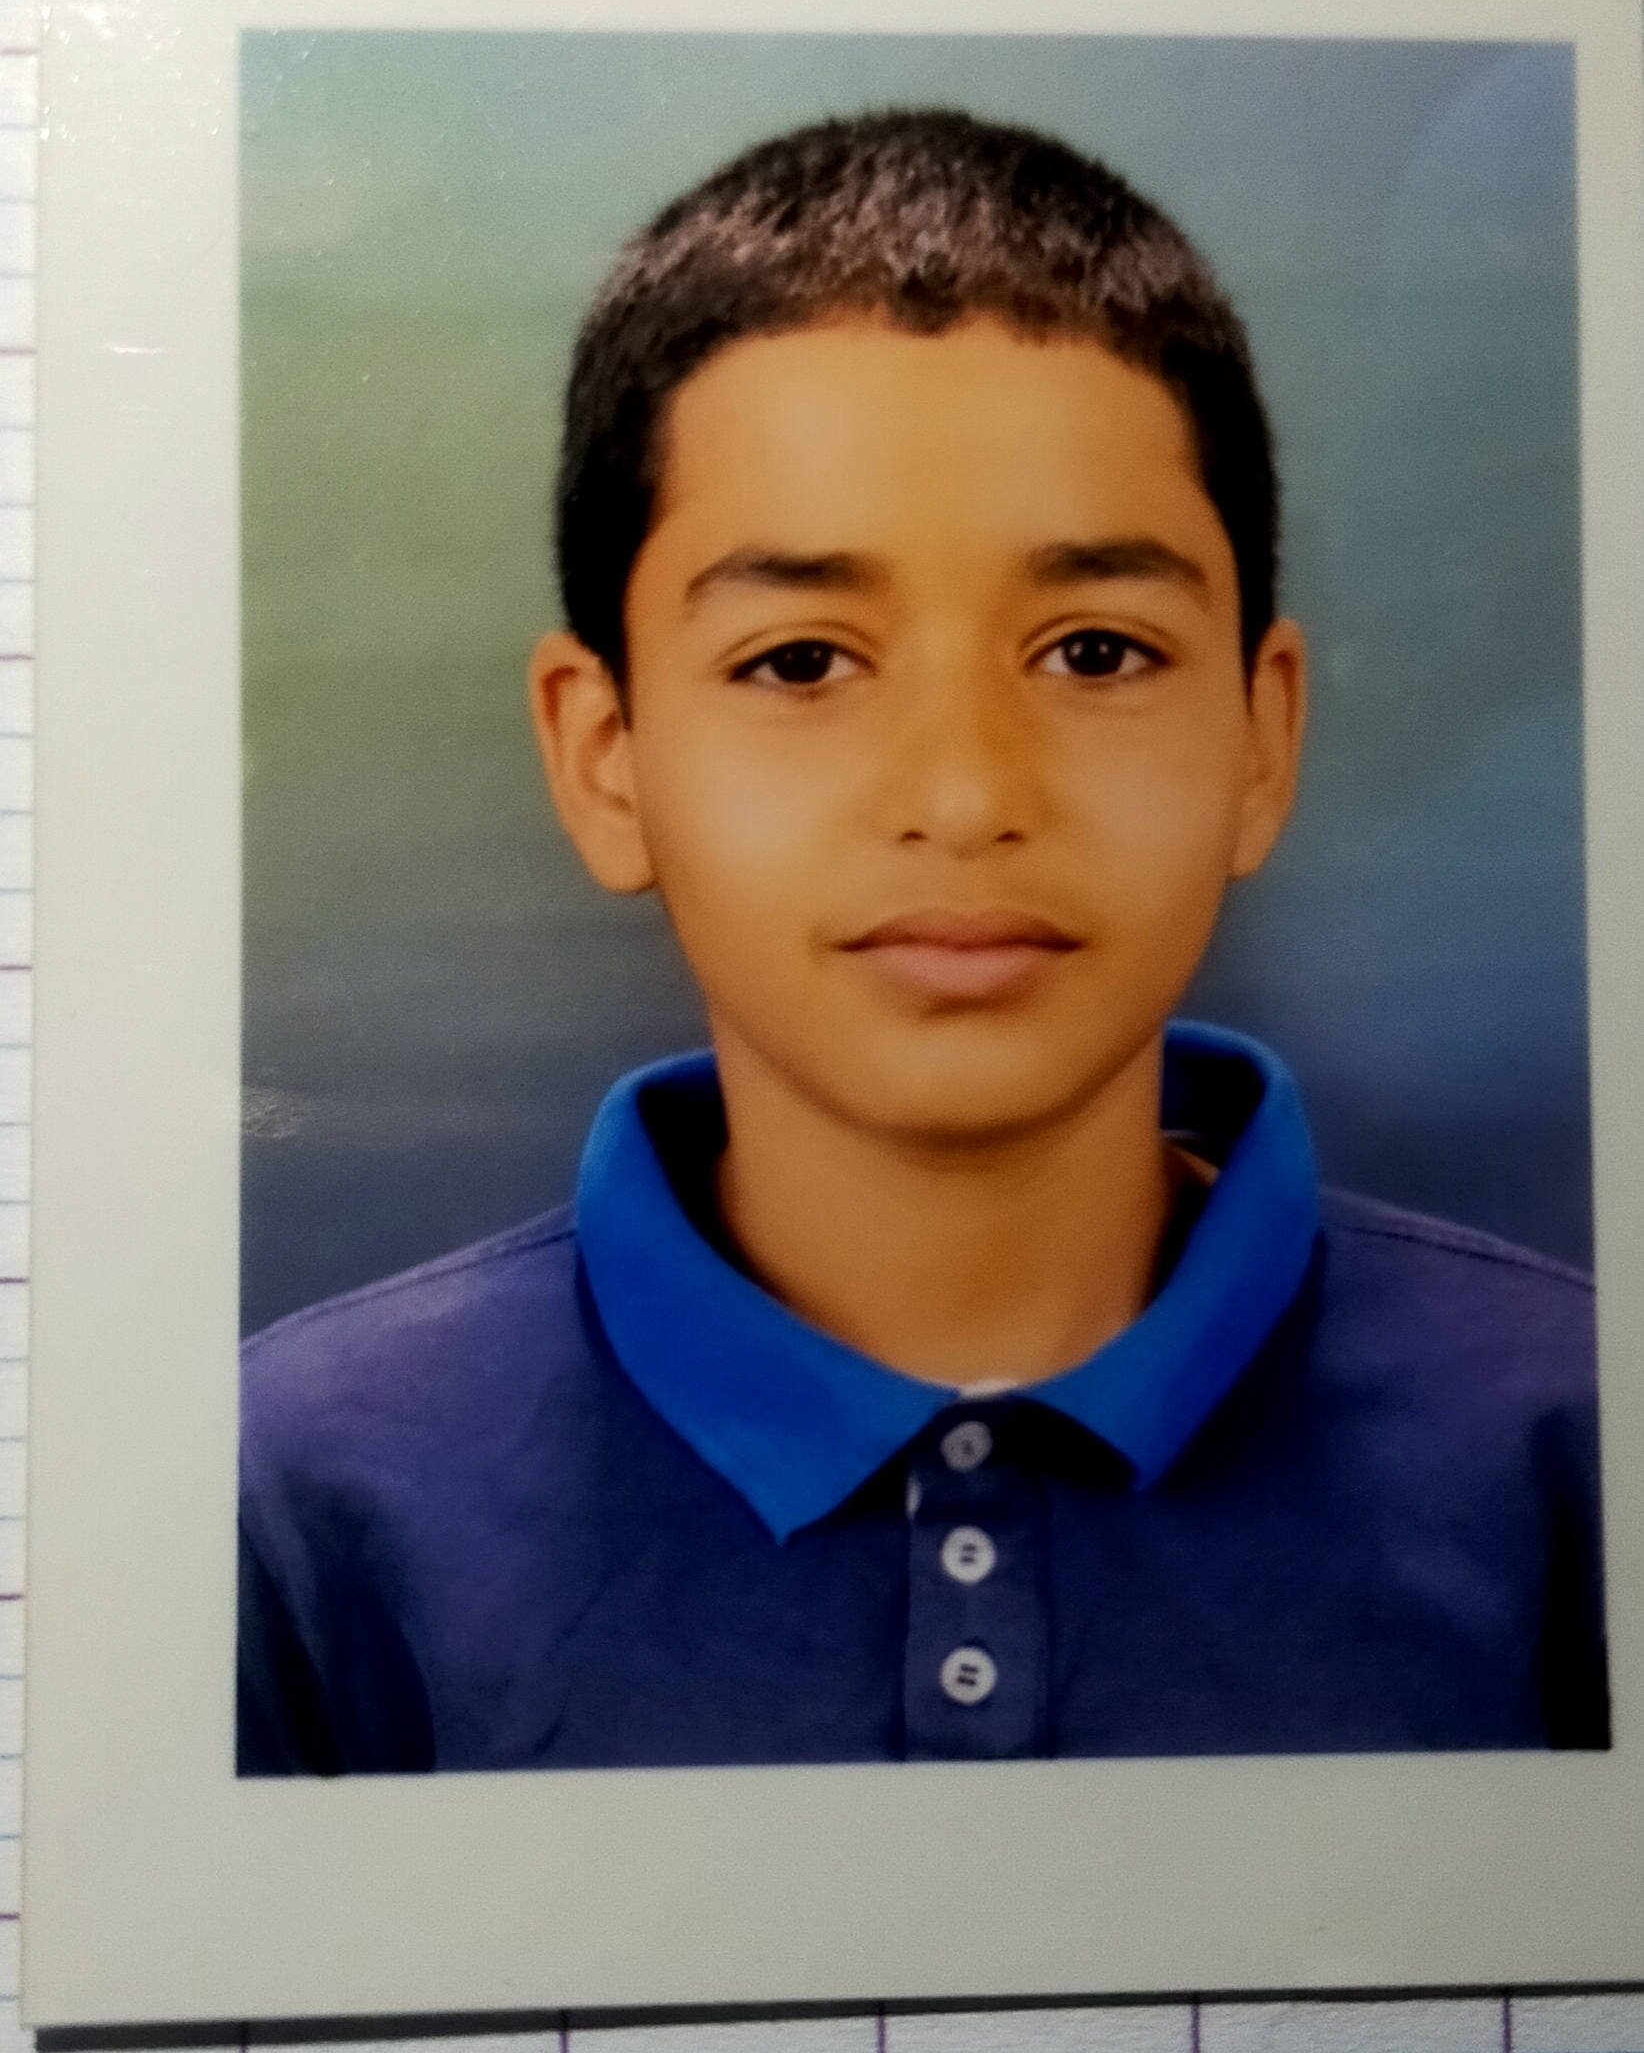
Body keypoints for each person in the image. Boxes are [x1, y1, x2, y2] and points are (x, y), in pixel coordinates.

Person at [237, 109, 1606, 1774]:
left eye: (1095, 652)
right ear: (605, 759)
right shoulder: (284, 1515)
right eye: (802, 662)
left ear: (1263, 740)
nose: (964, 798)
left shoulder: (1578, 1452)